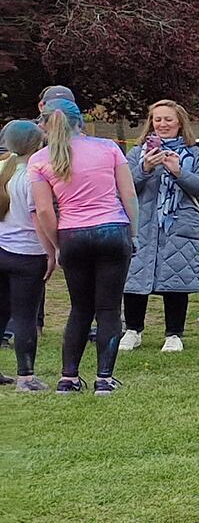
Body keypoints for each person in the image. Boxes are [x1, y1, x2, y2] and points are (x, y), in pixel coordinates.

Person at [30, 95, 141, 394]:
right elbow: (128, 195)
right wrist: (134, 234)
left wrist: (56, 245)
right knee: (107, 308)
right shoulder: (108, 148)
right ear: (80, 120)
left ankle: (68, 377)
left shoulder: (40, 160)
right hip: (112, 229)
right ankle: (104, 377)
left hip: (72, 234)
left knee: (79, 307)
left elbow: (43, 211)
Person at [121, 99, 199, 354]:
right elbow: (124, 186)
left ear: (180, 122)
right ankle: (133, 330)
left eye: (168, 119)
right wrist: (145, 168)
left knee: (176, 278)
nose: (162, 124)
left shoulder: (197, 152)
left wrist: (178, 172)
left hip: (179, 225)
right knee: (135, 277)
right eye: (157, 119)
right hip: (143, 225)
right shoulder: (137, 152)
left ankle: (174, 334)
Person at [2, 119, 50, 391]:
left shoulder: (2, 168)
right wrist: (52, 250)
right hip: (27, 252)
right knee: (25, 316)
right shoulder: (33, 175)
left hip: (1, 248)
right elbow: (39, 217)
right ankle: (25, 376)